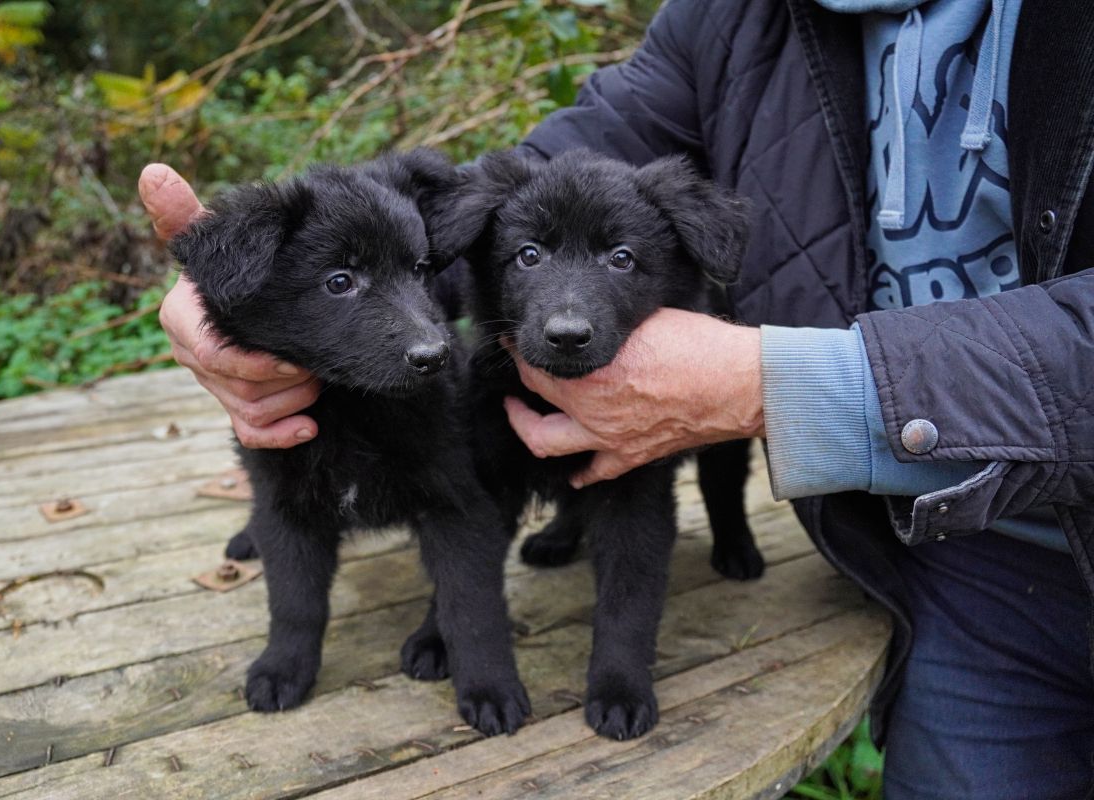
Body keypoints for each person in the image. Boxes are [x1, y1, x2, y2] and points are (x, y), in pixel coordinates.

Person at [139, 0, 1094, 796]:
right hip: (955, 574)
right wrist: (246, 279)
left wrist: (785, 380)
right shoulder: (740, 17)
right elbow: (507, 189)